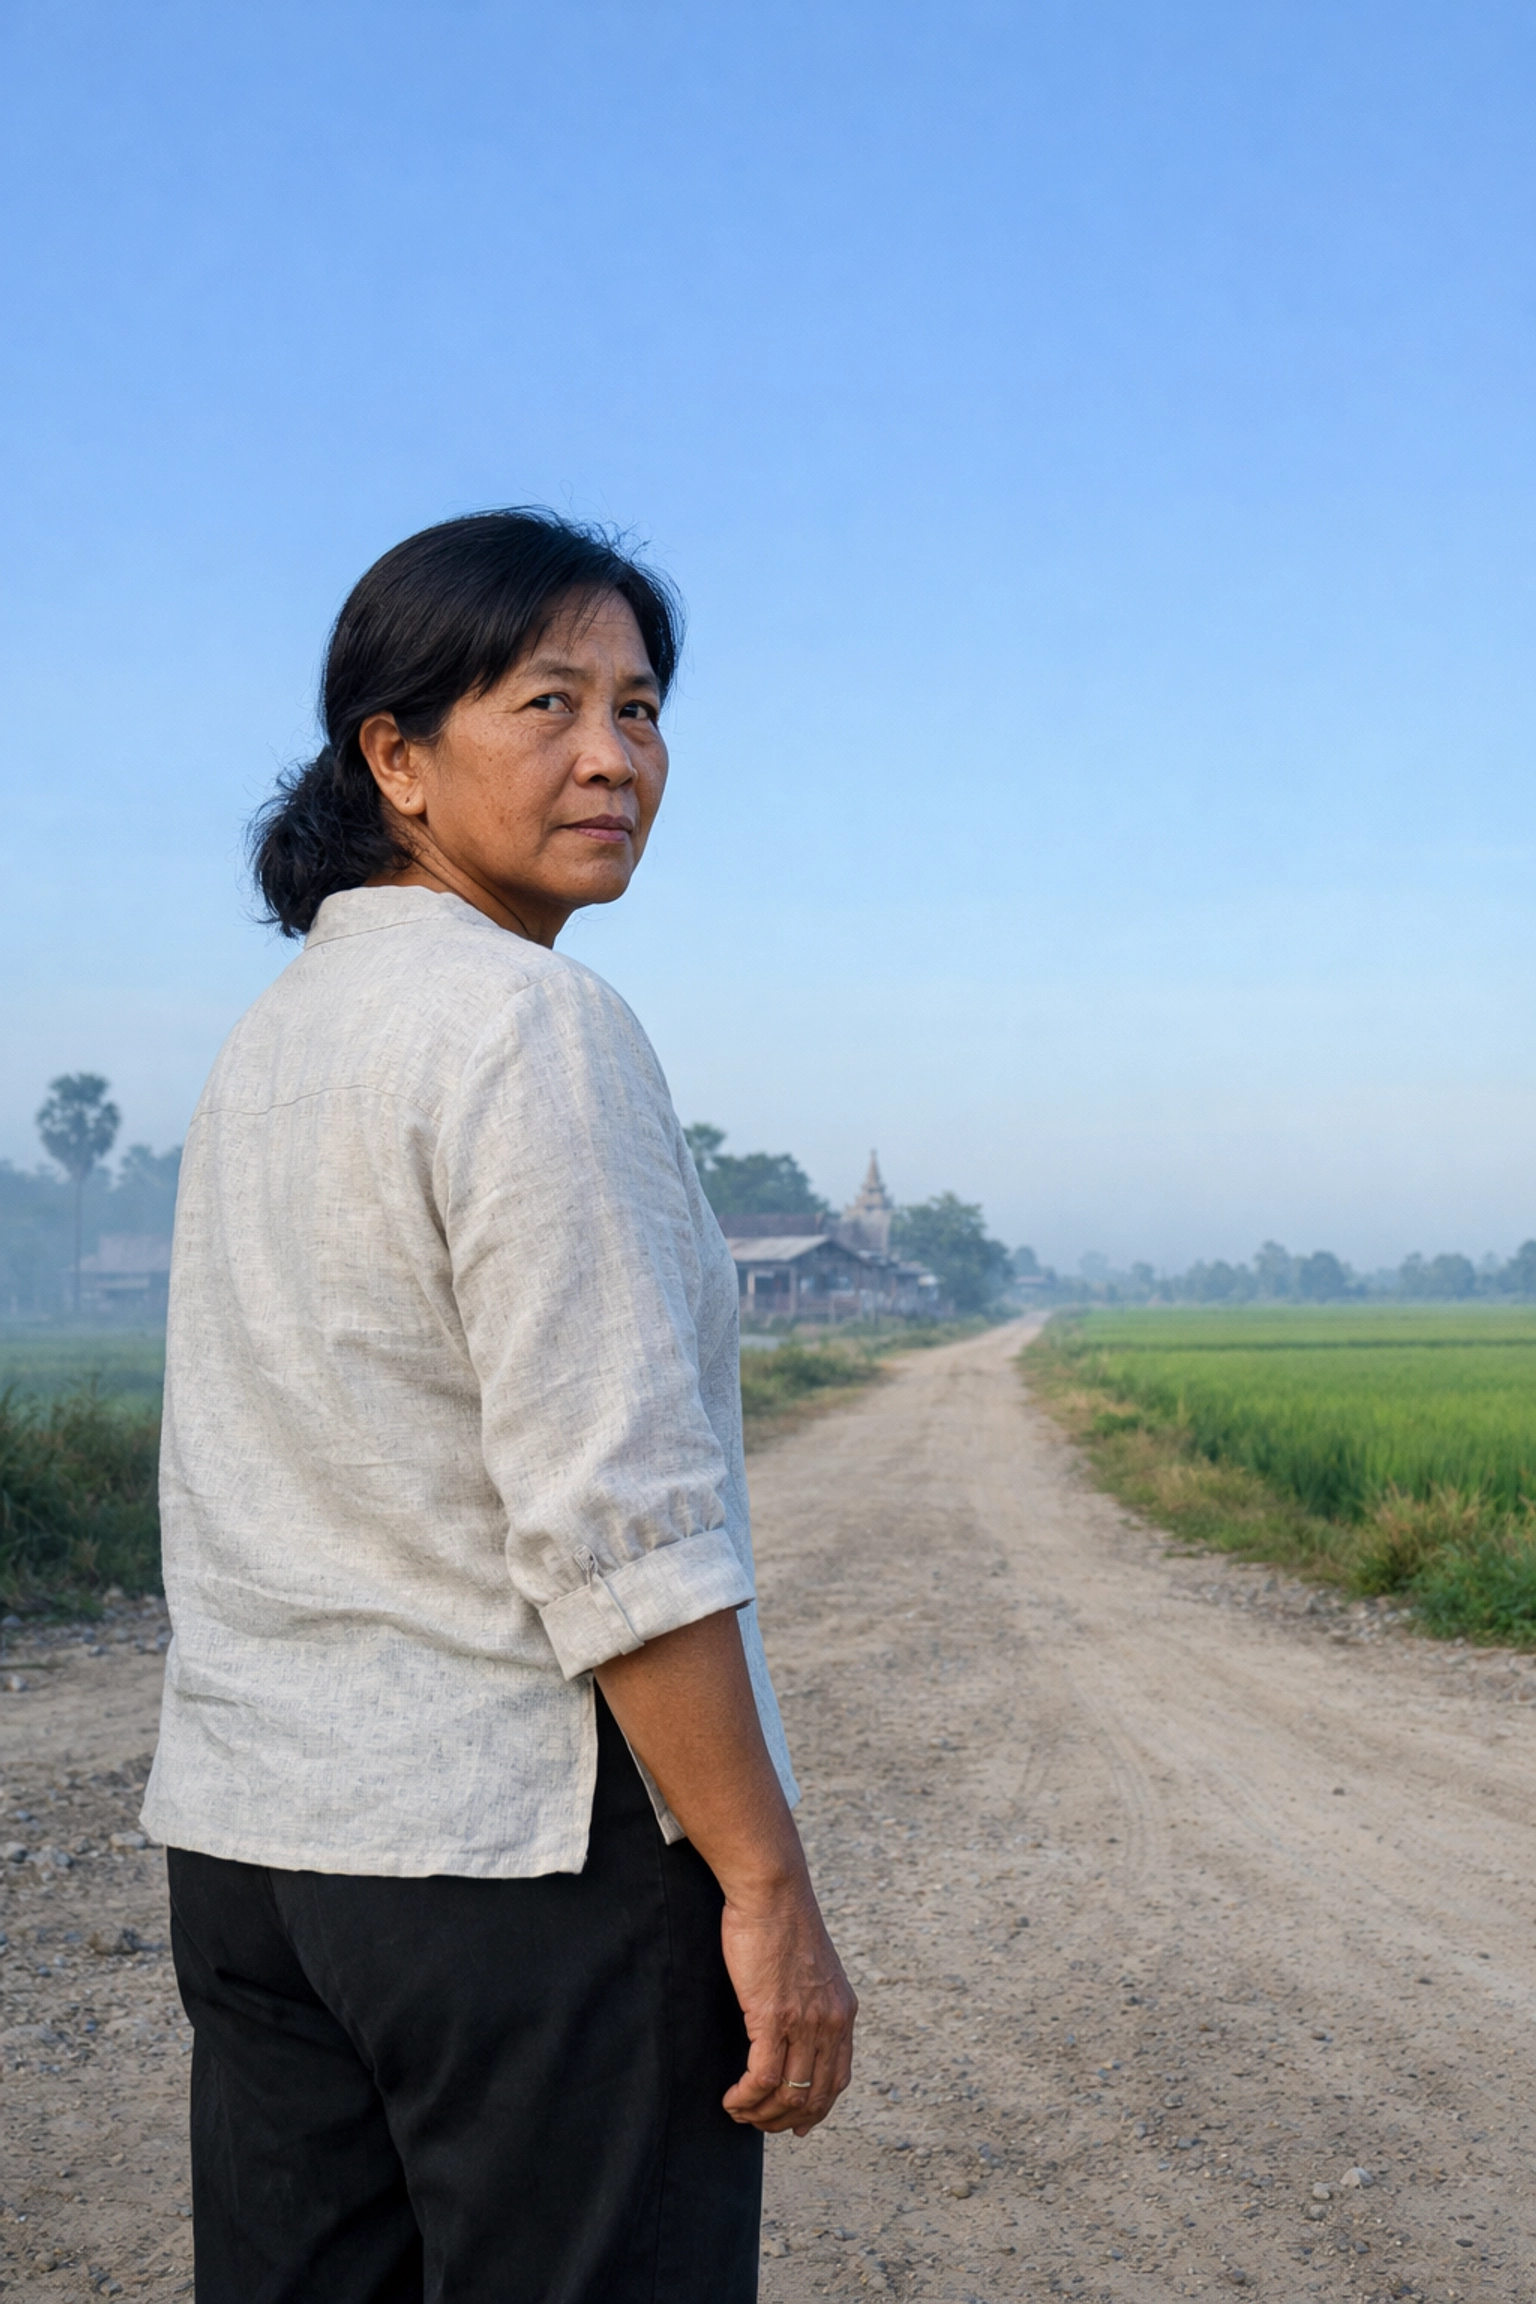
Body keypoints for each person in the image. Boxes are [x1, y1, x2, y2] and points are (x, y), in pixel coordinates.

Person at [141, 509, 857, 2303]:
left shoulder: (273, 1039)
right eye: (549, 703)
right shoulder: (530, 1024)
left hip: (257, 1851)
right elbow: (616, 1515)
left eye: (640, 707)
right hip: (507, 1859)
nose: (614, 755)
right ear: (395, 755)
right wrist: (763, 1886)